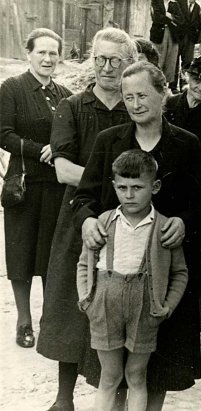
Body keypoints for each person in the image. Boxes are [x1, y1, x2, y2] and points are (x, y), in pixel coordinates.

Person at [72, 61, 201, 410]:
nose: (135, 104)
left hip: (162, 273)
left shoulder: (185, 144)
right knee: (112, 369)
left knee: (158, 368)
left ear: (164, 93)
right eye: (128, 96)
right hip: (115, 275)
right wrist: (88, 222)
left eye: (143, 95)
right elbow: (85, 196)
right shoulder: (110, 140)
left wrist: (183, 222)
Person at [37, 27, 137, 411]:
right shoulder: (73, 107)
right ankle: (64, 399)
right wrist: (117, 187)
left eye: (114, 60)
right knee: (70, 299)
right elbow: (62, 168)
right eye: (99, 59)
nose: (106, 67)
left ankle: (118, 395)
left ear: (129, 63)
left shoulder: (135, 107)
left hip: (126, 221)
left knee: (120, 301)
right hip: (79, 216)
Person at [76, 149, 188, 411]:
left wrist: (166, 306)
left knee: (136, 375)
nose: (129, 195)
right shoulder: (104, 221)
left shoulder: (164, 226)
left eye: (137, 187)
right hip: (105, 301)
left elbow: (180, 272)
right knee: (110, 376)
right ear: (114, 186)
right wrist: (86, 298)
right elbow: (84, 264)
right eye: (122, 187)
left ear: (155, 186)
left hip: (144, 306)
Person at [0, 28, 72, 350]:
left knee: (49, 253)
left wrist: (58, 150)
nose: (47, 59)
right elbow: (3, 134)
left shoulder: (65, 95)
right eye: (41, 52)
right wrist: (38, 149)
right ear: (28, 53)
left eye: (53, 53)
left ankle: (49, 321)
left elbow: (72, 138)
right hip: (24, 182)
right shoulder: (11, 88)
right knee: (21, 252)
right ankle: (24, 320)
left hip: (56, 185)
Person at [149, 0, 181, 89]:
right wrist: (171, 18)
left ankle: (165, 86)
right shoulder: (156, 2)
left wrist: (168, 15)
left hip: (172, 35)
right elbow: (157, 18)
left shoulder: (174, 3)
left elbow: (180, 20)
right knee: (158, 59)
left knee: (170, 61)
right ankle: (154, 84)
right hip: (158, 35)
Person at [172, 0, 201, 90]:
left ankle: (184, 86)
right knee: (175, 62)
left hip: (190, 39)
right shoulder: (179, 3)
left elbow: (198, 23)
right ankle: (173, 86)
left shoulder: (197, 7)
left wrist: (196, 36)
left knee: (187, 63)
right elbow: (175, 18)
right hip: (177, 37)